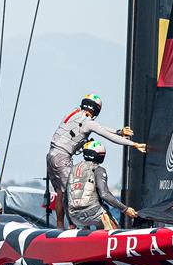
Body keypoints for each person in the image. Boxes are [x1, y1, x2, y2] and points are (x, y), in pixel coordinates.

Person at [47, 94, 146, 228]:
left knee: (60, 191)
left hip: (52, 154)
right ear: (96, 109)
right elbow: (104, 133)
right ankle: (72, 228)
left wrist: (118, 131)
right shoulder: (87, 121)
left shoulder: (75, 113)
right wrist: (134, 144)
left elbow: (98, 127)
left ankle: (60, 227)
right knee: (70, 192)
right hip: (62, 157)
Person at [67, 141, 138, 230]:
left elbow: (66, 198)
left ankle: (86, 233)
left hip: (74, 215)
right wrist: (125, 209)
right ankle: (107, 230)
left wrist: (70, 222)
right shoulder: (98, 169)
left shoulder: (73, 170)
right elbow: (104, 194)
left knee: (86, 222)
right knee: (113, 227)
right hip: (93, 213)